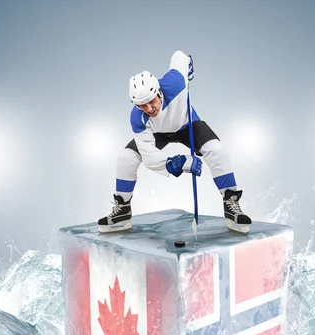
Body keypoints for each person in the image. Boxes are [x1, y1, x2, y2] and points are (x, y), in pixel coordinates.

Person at [97, 50, 252, 234]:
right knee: (126, 157)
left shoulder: (177, 83)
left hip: (187, 124)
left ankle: (230, 203)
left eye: (150, 101)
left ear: (158, 91)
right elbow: (149, 157)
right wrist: (177, 163)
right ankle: (122, 210)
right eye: (141, 105)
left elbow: (179, 56)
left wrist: (189, 66)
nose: (148, 109)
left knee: (216, 149)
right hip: (157, 133)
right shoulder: (138, 118)